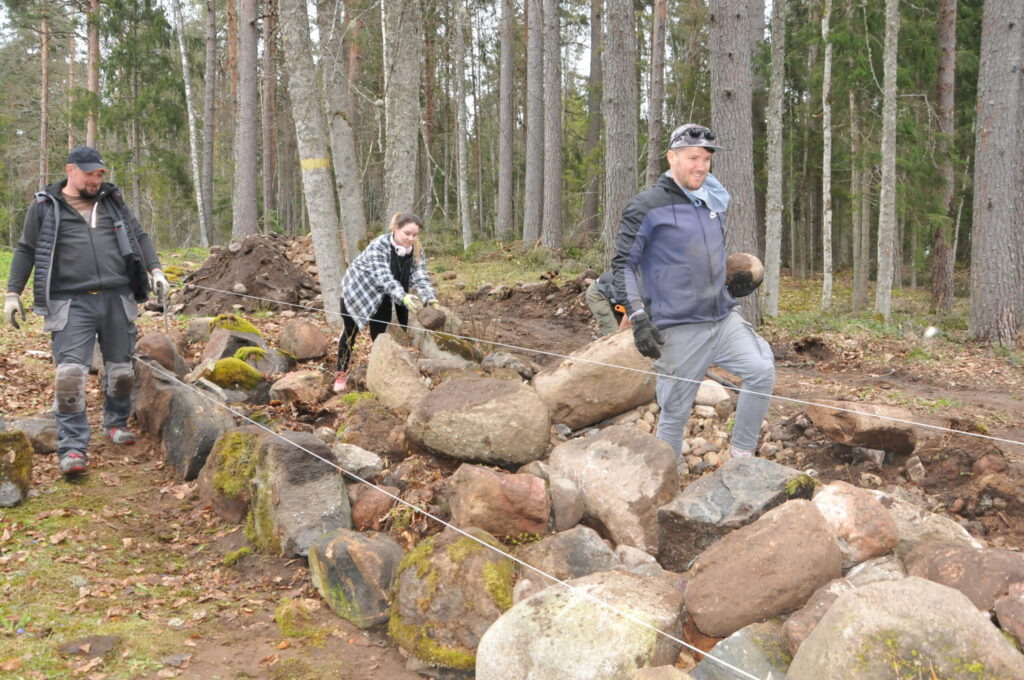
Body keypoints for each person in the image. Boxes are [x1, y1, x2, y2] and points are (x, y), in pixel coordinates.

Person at [611, 123, 775, 464]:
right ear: (672, 157)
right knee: (674, 413)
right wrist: (637, 316)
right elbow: (623, 266)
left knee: (761, 370)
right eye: (693, 157)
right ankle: (664, 484)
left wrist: (729, 282)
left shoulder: (708, 202)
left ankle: (742, 455)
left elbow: (699, 258)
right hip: (678, 325)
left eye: (707, 159)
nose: (701, 166)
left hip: (721, 316)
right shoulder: (646, 206)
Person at [4, 146, 169, 477]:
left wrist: (156, 271)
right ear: (71, 170)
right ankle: (73, 446)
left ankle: (115, 422)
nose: (96, 179)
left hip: (116, 297)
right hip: (69, 302)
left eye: (100, 174)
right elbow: (26, 249)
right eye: (90, 173)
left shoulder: (112, 202)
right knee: (70, 378)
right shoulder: (44, 207)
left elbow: (139, 236)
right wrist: (12, 293)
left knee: (121, 372)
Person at [334, 212, 439, 392]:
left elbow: (420, 276)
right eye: (407, 233)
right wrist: (403, 297)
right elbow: (384, 278)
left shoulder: (416, 250)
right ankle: (341, 375)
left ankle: (378, 374)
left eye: (415, 235)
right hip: (357, 292)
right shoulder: (378, 246)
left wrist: (430, 298)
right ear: (396, 228)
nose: (411, 238)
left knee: (379, 336)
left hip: (383, 295)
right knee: (350, 335)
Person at [585, 271, 630, 336]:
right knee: (613, 332)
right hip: (598, 293)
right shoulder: (640, 296)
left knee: (621, 325)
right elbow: (627, 321)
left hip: (614, 296)